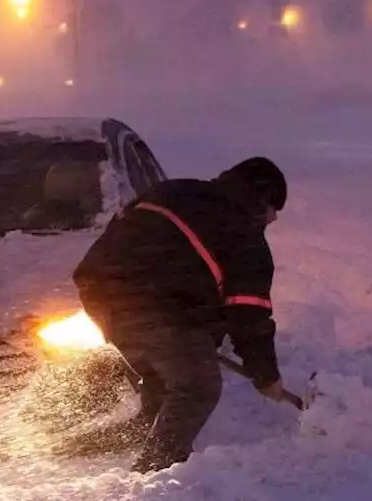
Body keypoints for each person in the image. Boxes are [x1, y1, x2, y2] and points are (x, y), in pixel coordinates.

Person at [68, 156, 292, 473]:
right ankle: (154, 475)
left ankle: (87, 448)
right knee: (198, 386)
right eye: (275, 210)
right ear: (262, 200)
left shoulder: (174, 190)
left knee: (163, 382)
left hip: (98, 290)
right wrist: (267, 376)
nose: (273, 220)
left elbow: (128, 233)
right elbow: (249, 317)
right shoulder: (243, 235)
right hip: (154, 303)